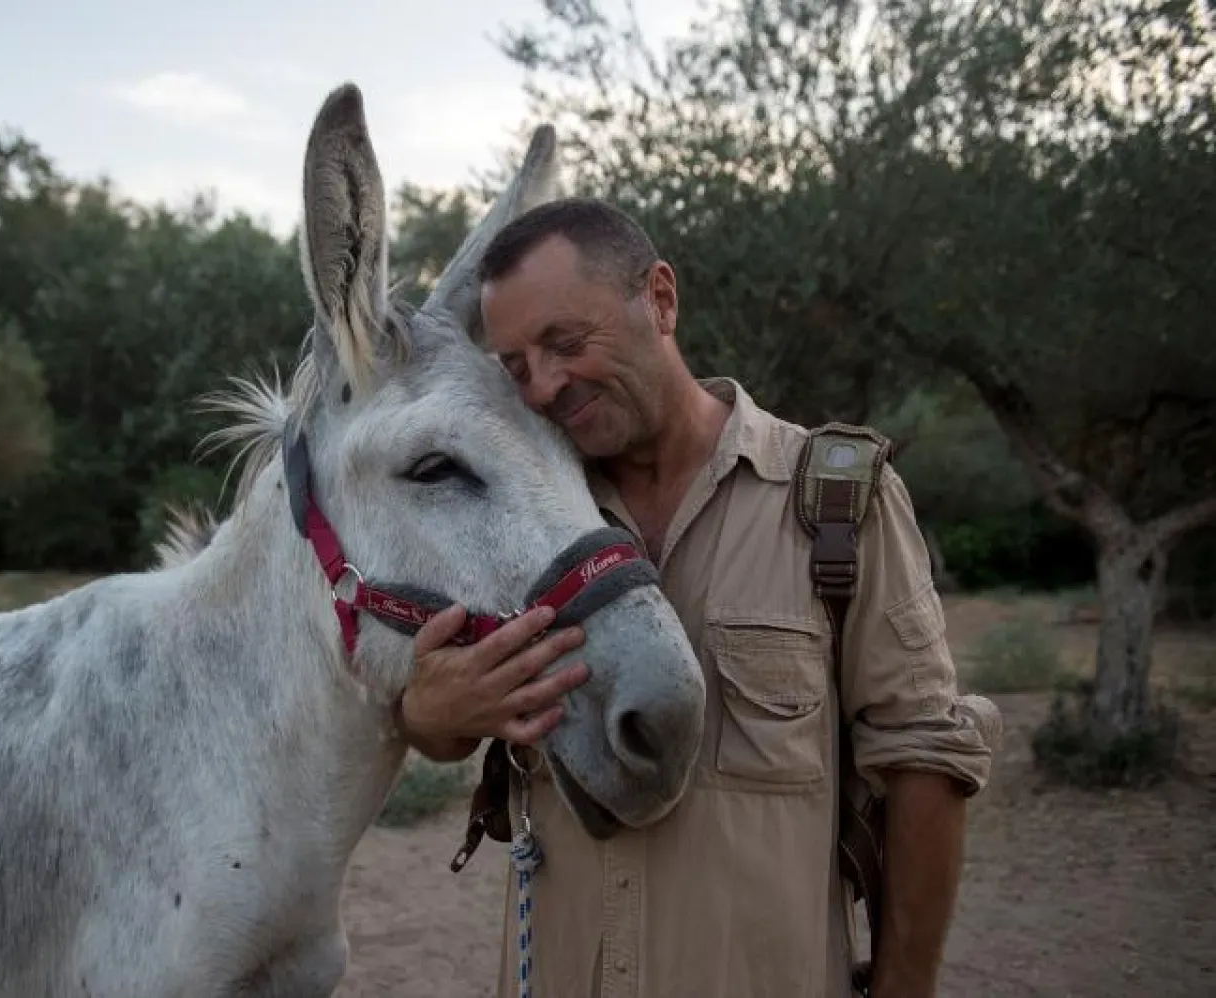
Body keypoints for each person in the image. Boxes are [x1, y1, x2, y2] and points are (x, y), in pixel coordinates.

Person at [392, 197, 1002, 998]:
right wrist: (427, 718)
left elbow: (926, 761)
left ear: (661, 298)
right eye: (515, 367)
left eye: (565, 343)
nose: (543, 387)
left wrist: (904, 987)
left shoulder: (835, 505)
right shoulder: (517, 518)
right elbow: (444, 717)